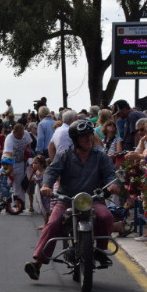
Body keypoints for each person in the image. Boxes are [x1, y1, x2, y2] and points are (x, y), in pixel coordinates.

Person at [24, 120, 121, 280]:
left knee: (106, 217)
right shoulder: (64, 155)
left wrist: (113, 184)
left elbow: (111, 173)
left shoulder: (100, 156)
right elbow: (52, 171)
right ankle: (37, 263)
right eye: (84, 137)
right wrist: (46, 185)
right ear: (76, 139)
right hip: (66, 199)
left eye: (91, 136)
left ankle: (101, 251)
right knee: (53, 223)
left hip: (93, 199)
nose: (89, 140)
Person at [1, 123, 34, 207]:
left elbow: (29, 145)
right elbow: (8, 154)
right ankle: (8, 201)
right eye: (19, 135)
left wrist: (28, 157)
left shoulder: (25, 134)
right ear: (14, 132)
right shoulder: (10, 139)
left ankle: (20, 204)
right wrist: (10, 168)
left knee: (19, 184)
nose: (21, 136)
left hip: (21, 162)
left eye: (22, 134)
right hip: (9, 161)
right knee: (10, 182)